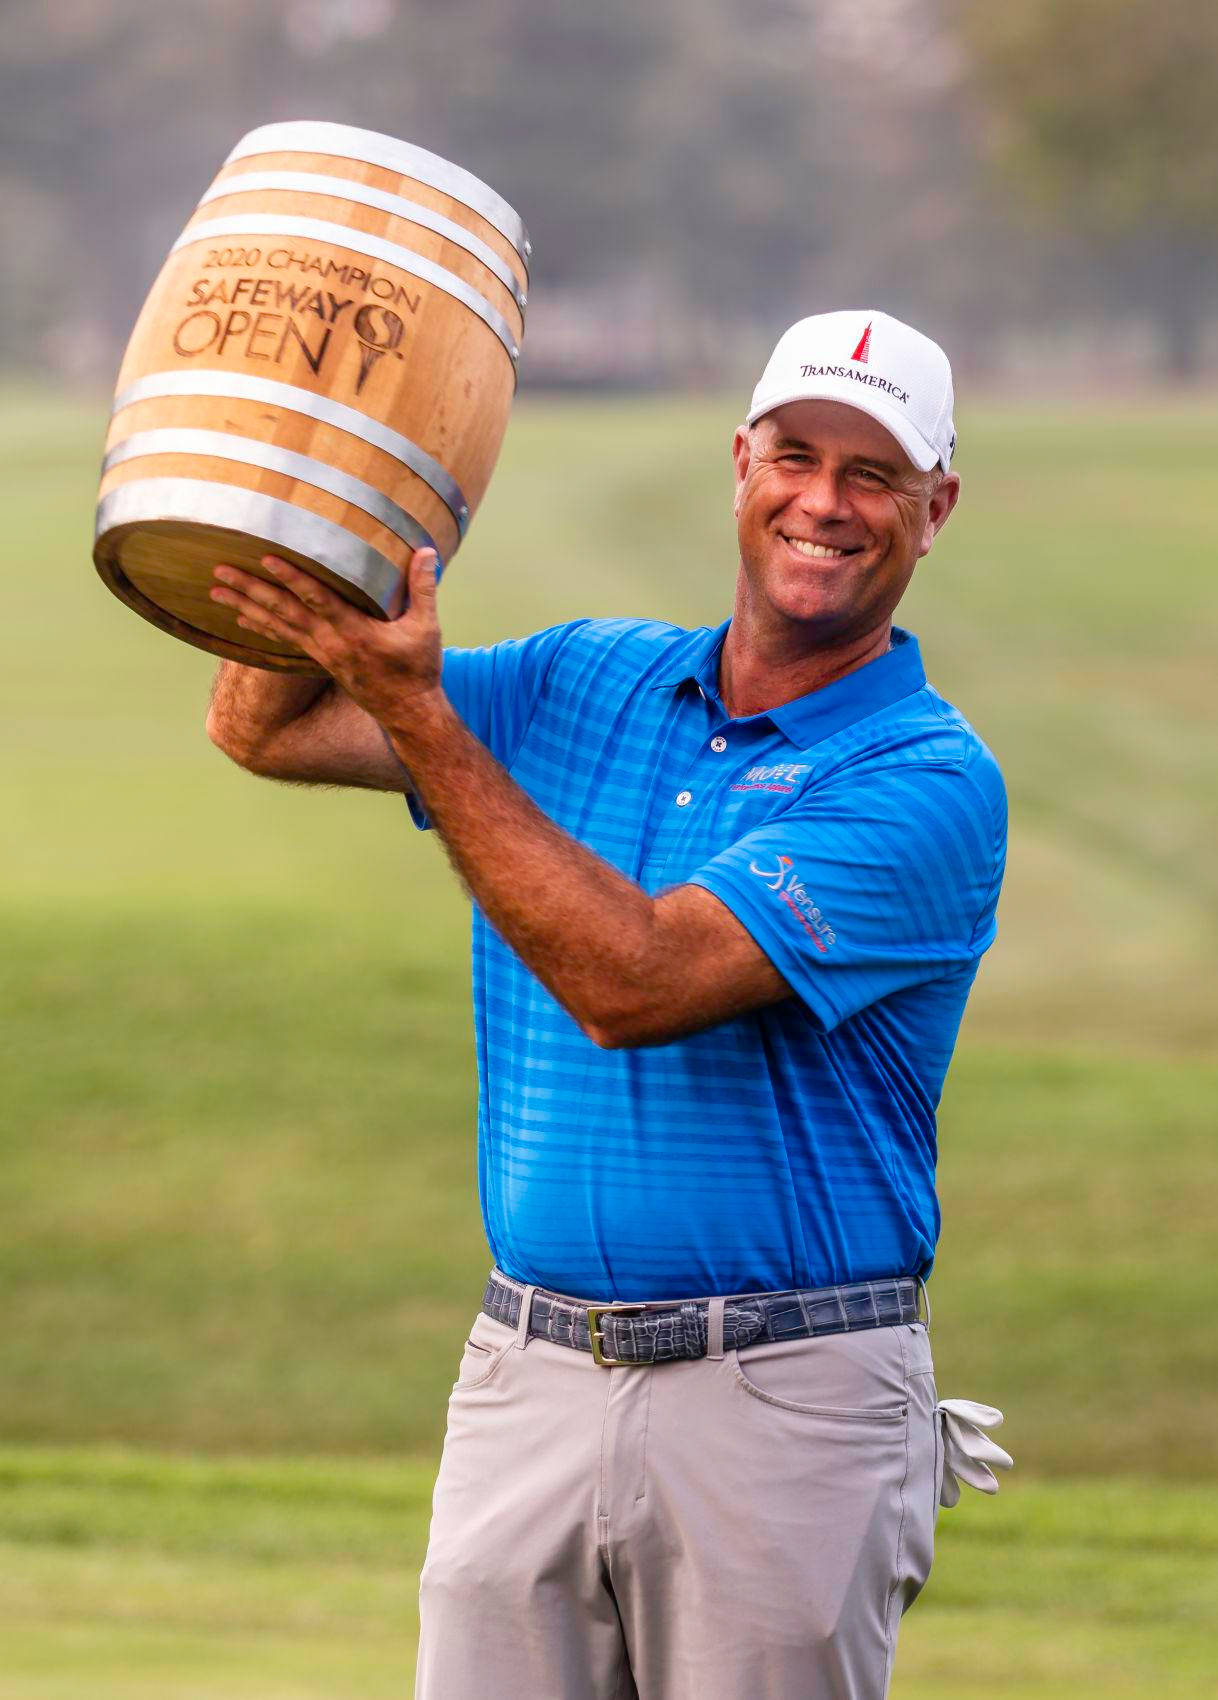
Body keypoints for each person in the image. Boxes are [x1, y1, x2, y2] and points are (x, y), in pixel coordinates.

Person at [206, 308, 1012, 1700]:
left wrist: (428, 725)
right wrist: (346, 488)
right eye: (796, 455)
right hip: (527, 1374)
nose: (823, 502)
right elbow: (262, 724)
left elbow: (632, 981)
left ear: (932, 509)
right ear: (741, 462)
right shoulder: (586, 675)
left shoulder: (928, 781)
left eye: (871, 475)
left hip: (785, 1402)